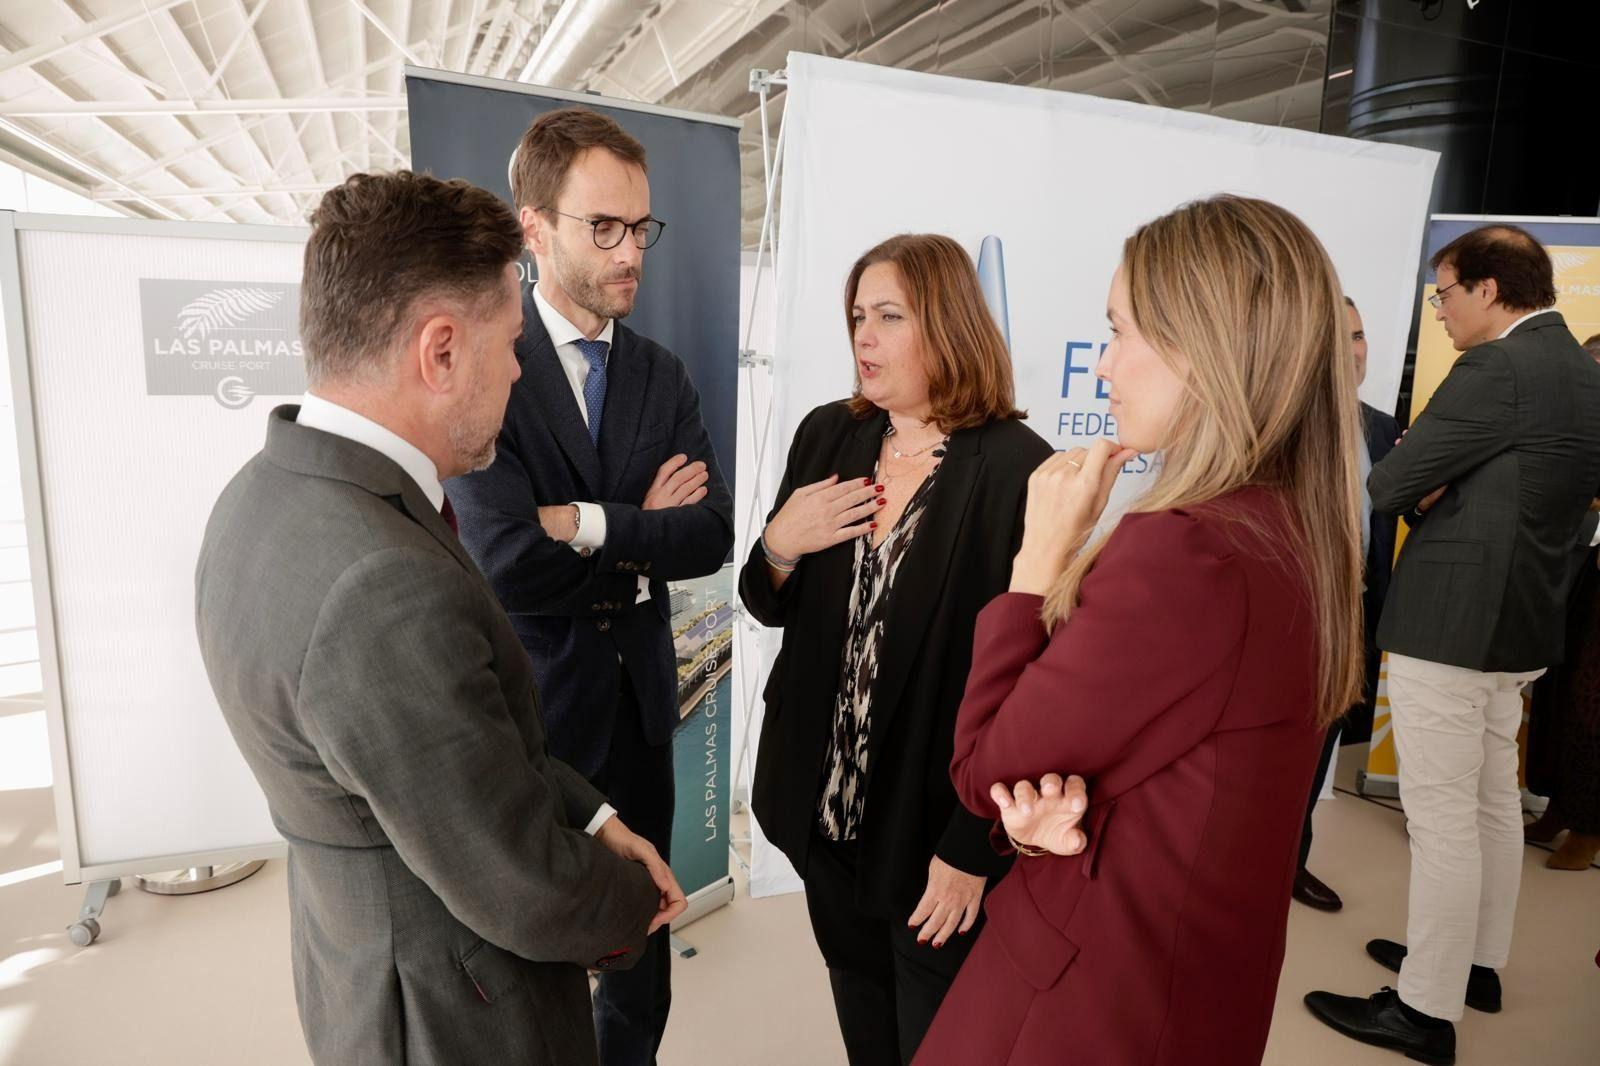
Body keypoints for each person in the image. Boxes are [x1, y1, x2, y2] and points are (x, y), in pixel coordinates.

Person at [195, 170, 682, 1066]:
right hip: (456, 1018)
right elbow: (522, 886)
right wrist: (635, 904)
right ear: (442, 351)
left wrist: (593, 814)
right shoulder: (381, 585)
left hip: (365, 970)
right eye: (510, 343)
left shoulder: (263, 496)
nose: (518, 367)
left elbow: (461, 752)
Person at [913, 195, 1364, 1066]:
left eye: (1120, 331)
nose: (1105, 365)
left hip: (1090, 994)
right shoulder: (1294, 528)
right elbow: (1164, 768)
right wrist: (1033, 819)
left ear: (1204, 347)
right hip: (1187, 980)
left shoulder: (1187, 553)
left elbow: (982, 767)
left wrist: (1038, 559)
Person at [444, 107, 733, 1066]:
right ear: (535, 228)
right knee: (537, 952)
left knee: (643, 929)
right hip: (534, 707)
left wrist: (592, 520)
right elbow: (504, 561)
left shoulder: (660, 373)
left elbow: (711, 535)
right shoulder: (493, 363)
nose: (630, 251)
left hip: (643, 707)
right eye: (602, 227)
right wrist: (641, 524)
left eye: (640, 228)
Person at [741, 233, 1053, 1064]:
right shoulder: (827, 438)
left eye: (888, 316)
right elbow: (762, 601)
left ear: (948, 326)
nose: (863, 338)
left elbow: (1031, 691)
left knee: (937, 1036)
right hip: (822, 813)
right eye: (855, 317)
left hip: (930, 834)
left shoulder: (1019, 471)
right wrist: (779, 543)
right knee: (863, 1017)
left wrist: (969, 843)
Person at [1307, 225, 1600, 1065]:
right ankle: (1475, 966)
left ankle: (1424, 1011)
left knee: (1443, 821)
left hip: (1454, 622)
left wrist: (1442, 487)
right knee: (1489, 806)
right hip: (1523, 621)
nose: (1438, 311)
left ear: (1487, 287)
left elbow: (1390, 482)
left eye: (1443, 292)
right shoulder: (1582, 372)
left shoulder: (1496, 368)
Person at [1294, 294, 1402, 913]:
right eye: (1339, 338)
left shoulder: (1384, 428)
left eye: (1359, 337)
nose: (1353, 351)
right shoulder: (1277, 427)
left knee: (1318, 755)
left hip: (1354, 618)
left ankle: (1292, 862)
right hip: (1289, 619)